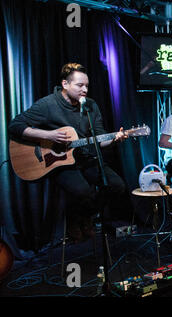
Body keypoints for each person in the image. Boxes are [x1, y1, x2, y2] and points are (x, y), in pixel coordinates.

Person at [8, 63, 127, 242]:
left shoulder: (91, 106)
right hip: (57, 162)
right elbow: (15, 126)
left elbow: (100, 138)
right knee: (84, 192)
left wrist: (115, 138)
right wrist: (48, 135)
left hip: (85, 157)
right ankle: (76, 217)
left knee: (117, 185)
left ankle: (83, 215)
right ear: (65, 84)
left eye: (87, 85)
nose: (85, 90)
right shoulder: (48, 104)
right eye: (80, 85)